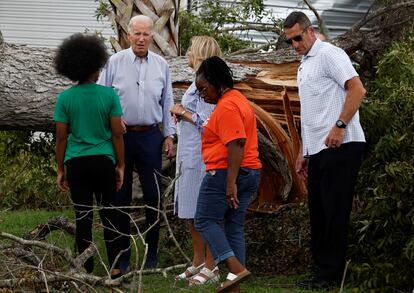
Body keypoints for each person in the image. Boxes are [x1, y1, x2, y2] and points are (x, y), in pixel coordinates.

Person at [283, 11, 366, 289]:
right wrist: (303, 152)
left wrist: (340, 125)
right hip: (318, 148)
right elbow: (310, 113)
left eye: (297, 38)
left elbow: (357, 90)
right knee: (318, 210)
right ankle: (321, 272)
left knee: (334, 210)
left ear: (310, 31)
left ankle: (331, 274)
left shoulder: (330, 54)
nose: (295, 45)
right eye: (290, 41)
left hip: (342, 144)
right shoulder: (304, 63)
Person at [97, 15, 175, 270]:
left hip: (150, 136)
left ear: (153, 36)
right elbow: (101, 97)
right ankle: (123, 254)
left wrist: (169, 135)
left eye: (146, 34)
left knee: (153, 195)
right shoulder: (114, 63)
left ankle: (152, 253)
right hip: (121, 137)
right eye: (137, 34)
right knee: (120, 196)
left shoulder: (162, 65)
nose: (142, 39)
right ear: (128, 35)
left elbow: (168, 103)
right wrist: (111, 120)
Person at [53, 33, 124, 278]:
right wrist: (121, 165)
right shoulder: (109, 96)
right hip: (104, 161)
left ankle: (85, 267)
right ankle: (115, 267)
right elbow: (117, 135)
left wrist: (61, 169)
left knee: (83, 216)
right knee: (109, 214)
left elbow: (61, 137)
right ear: (96, 66)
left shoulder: (65, 98)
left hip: (76, 163)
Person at [194, 56, 261, 293]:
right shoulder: (238, 99)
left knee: (204, 219)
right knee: (233, 226)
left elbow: (236, 143)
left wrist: (230, 183)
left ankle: (236, 268)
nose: (202, 95)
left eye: (203, 89)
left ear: (217, 82)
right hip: (249, 171)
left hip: (225, 173)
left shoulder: (227, 106)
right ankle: (234, 286)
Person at [170, 36, 221, 285]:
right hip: (189, 152)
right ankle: (197, 260)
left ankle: (212, 265)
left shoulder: (209, 85)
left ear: (200, 53)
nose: (187, 52)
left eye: (190, 49)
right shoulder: (195, 82)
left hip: (203, 155)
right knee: (190, 211)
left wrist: (183, 112)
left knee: (205, 212)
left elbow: (210, 122)